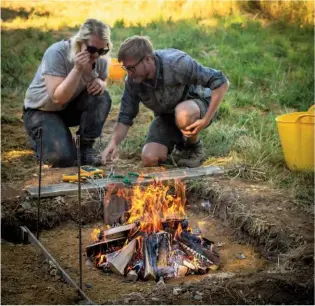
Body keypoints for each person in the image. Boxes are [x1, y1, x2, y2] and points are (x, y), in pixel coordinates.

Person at [101, 36, 229, 168]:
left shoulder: (176, 64)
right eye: (126, 68)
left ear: (147, 59)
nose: (129, 73)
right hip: (168, 115)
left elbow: (220, 81)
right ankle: (178, 142)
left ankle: (193, 148)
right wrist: (113, 143)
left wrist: (206, 119)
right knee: (149, 158)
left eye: (132, 68)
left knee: (183, 113)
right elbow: (125, 116)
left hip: (197, 106)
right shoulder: (132, 81)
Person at [23, 19, 112, 167]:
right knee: (63, 159)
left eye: (103, 50)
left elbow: (103, 79)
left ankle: (86, 148)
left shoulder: (100, 59)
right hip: (42, 110)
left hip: (69, 108)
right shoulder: (56, 53)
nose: (96, 55)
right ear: (79, 42)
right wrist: (77, 69)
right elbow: (58, 98)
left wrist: (101, 83)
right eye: (91, 50)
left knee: (101, 97)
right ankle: (40, 137)